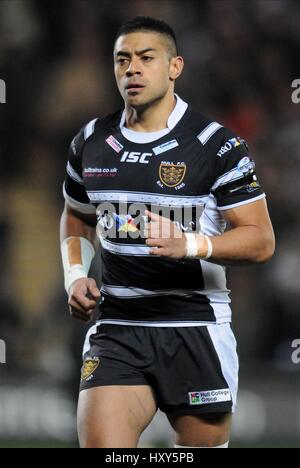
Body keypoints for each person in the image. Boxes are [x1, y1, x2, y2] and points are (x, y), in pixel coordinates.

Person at [60, 16, 275, 449]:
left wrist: (193, 244)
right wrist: (76, 274)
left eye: (145, 58)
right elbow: (76, 214)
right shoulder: (91, 141)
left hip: (195, 327)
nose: (132, 69)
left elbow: (260, 240)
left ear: (175, 66)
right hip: (118, 325)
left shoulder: (216, 146)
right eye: (122, 59)